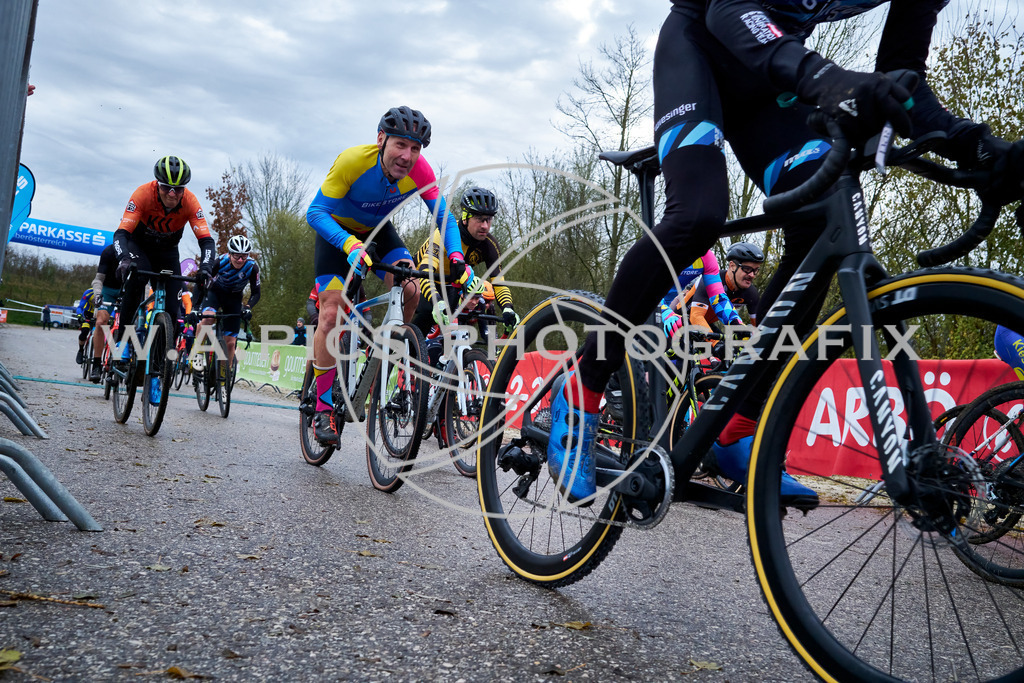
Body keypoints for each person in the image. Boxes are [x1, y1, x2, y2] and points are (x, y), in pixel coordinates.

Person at [548, 0, 1024, 508]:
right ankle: (586, 385)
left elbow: (901, 81)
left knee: (821, 219)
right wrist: (827, 80)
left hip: (767, 82)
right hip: (701, 45)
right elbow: (728, 9)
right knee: (698, 215)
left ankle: (736, 423)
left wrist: (976, 146)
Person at [305, 106, 466, 445]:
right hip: (337, 235)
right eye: (400, 145)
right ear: (381, 140)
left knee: (411, 290)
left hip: (378, 233)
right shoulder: (353, 162)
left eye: (416, 148)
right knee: (331, 314)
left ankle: (382, 358)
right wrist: (348, 243)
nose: (408, 156)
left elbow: (446, 220)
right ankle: (322, 408)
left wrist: (456, 256)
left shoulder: (420, 171)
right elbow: (316, 212)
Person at [111, 156, 215, 354]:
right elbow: (121, 233)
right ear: (158, 184)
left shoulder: (190, 202)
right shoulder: (142, 194)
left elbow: (207, 241)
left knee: (171, 308)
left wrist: (206, 268)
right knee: (137, 279)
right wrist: (123, 259)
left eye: (179, 188)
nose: (173, 194)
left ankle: (160, 365)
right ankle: (124, 342)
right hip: (139, 246)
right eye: (167, 187)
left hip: (167, 252)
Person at [413, 186, 519, 338]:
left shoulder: (490, 245)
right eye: (479, 219)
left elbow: (499, 283)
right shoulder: (445, 232)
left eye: (488, 219)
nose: (485, 226)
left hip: (450, 282)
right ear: (465, 217)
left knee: (453, 327)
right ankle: (401, 351)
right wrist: (437, 301)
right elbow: (425, 272)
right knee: (426, 315)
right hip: (418, 277)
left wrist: (508, 308)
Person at [195, 235, 260, 379]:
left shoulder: (252, 267)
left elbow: (256, 293)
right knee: (208, 319)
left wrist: (248, 306)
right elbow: (201, 283)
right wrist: (196, 306)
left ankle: (224, 376)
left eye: (244, 256)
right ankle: (198, 353)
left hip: (234, 298)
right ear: (230, 254)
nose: (240, 260)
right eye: (237, 256)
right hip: (214, 294)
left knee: (230, 342)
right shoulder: (219, 262)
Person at [680, 241, 764, 333]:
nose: (752, 275)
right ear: (732, 266)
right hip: (680, 321)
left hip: (706, 324)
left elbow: (759, 327)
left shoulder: (751, 293)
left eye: (756, 270)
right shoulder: (712, 280)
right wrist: (714, 343)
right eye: (747, 269)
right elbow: (696, 316)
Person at [74, 287, 96, 365]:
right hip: (88, 314)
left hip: (99, 314)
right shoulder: (89, 292)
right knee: (85, 331)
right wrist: (79, 315)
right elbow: (80, 307)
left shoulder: (107, 292)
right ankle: (81, 350)